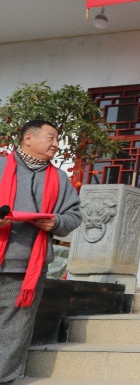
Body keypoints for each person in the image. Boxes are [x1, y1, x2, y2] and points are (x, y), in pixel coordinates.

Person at [0, 120, 82, 383]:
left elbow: (73, 215)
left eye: (57, 140)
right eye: (51, 138)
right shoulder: (0, 167)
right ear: (28, 138)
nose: (56, 144)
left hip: (27, 268)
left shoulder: (58, 177)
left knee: (15, 330)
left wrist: (55, 222)